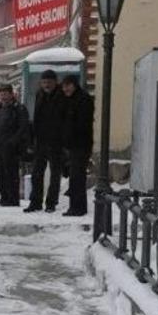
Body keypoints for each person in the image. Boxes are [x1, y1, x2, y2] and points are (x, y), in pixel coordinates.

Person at [25, 70, 66, 213]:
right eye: (44, 82)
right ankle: (35, 202)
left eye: (49, 82)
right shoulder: (40, 95)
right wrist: (33, 139)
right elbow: (36, 116)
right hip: (41, 140)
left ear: (55, 82)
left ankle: (51, 203)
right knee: (37, 172)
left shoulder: (62, 96)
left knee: (55, 173)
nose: (46, 84)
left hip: (56, 140)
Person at [61, 75, 94, 217]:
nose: (65, 89)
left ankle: (78, 207)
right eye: (64, 86)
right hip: (72, 144)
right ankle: (75, 206)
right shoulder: (70, 100)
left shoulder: (82, 99)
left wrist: (71, 137)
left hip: (81, 144)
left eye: (68, 85)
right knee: (74, 176)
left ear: (74, 85)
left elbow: (81, 124)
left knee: (77, 177)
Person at [0, 84, 30, 207]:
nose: (3, 97)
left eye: (5, 94)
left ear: (11, 94)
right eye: (1, 94)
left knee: (11, 173)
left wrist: (13, 142)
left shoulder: (18, 109)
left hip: (11, 148)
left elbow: (23, 127)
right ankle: (4, 197)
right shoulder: (0, 108)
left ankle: (13, 199)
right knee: (0, 172)